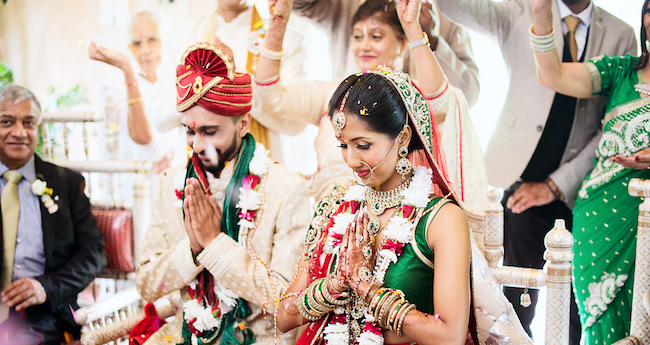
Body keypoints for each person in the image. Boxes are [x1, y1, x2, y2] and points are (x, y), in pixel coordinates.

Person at [225, 66, 487, 345]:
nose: (350, 160)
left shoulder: (441, 219)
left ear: (403, 138)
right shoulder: (336, 206)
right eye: (343, 145)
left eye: (363, 146)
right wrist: (336, 284)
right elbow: (284, 315)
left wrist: (368, 289)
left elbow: (449, 341)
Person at [69, 43, 311, 345]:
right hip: (179, 341)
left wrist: (216, 245)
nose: (198, 145)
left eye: (211, 131)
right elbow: (147, 284)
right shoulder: (171, 185)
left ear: (244, 123)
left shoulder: (284, 190)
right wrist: (194, 248)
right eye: (190, 130)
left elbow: (286, 302)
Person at [437, 0, 637, 345]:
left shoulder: (622, 34)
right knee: (508, 296)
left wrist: (555, 185)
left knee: (581, 302)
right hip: (511, 181)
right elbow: (459, 7)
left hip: (580, 192)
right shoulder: (519, 10)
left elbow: (612, 126)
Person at [255, 0, 486, 211]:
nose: (364, 46)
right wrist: (278, 24)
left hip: (393, 228)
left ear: (402, 44)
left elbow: (441, 102)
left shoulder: (407, 98)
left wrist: (414, 29)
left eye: (375, 37)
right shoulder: (334, 93)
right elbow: (270, 97)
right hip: (330, 227)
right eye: (357, 37)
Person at [528, 0, 650, 345]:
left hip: (645, 219)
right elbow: (553, 75)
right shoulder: (621, 72)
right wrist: (539, 13)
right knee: (599, 324)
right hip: (600, 215)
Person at [0, 84, 106, 345]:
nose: (19, 132)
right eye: (6, 122)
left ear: (38, 128)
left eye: (28, 123)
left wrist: (44, 287)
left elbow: (94, 254)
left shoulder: (65, 183)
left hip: (45, 319)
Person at [150, 0, 308, 165]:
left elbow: (295, 124)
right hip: (194, 179)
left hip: (262, 179)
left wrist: (235, 76)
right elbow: (158, 118)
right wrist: (201, 80)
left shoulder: (286, 39)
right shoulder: (181, 36)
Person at [292, 0, 481, 108]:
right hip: (355, 141)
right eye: (359, 36)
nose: (365, 45)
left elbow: (468, 96)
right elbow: (298, 4)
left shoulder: (446, 12)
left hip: (423, 159)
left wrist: (430, 40)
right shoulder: (344, 5)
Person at [89, 10, 186, 196]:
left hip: (177, 179)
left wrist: (178, 159)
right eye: (137, 43)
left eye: (152, 39)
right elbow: (143, 137)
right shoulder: (118, 89)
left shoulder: (181, 82)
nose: (145, 50)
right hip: (140, 185)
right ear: (130, 48)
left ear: (165, 39)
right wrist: (127, 71)